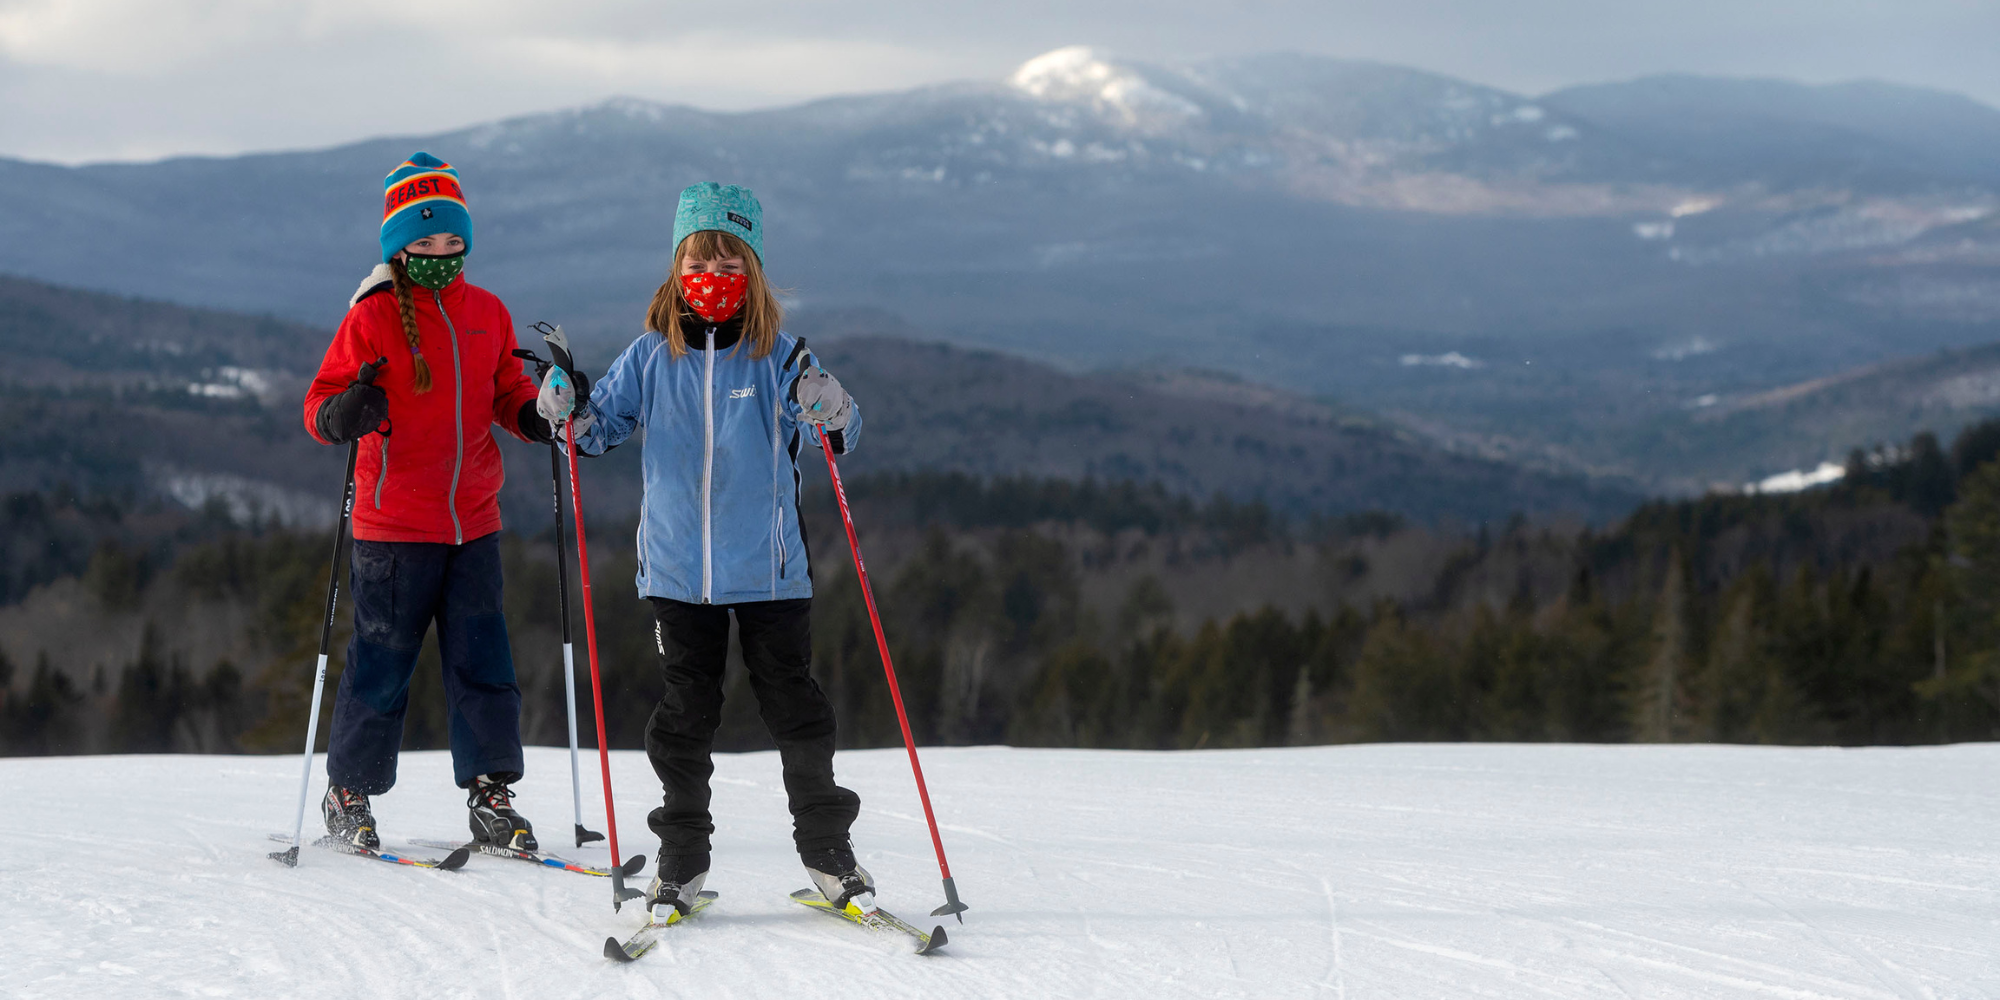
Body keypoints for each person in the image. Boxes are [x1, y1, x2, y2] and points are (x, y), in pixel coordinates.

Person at [538, 182, 872, 920]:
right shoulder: (653, 356)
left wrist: (831, 402)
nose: (711, 276)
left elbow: (843, 433)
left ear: (751, 271)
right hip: (679, 574)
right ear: (676, 268)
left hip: (771, 573)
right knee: (685, 717)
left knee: (797, 711)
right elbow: (593, 434)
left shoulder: (780, 357)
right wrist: (561, 405)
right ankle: (680, 862)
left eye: (728, 262)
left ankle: (829, 856)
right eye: (698, 260)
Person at [303, 151, 557, 852]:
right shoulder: (374, 317)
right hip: (392, 527)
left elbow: (507, 392)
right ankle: (348, 792)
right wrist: (344, 412)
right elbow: (319, 404)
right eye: (425, 243)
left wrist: (538, 413)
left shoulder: (487, 312)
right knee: (381, 662)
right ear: (398, 247)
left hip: (473, 522)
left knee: (483, 661)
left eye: (452, 242)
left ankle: (490, 794)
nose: (441, 254)